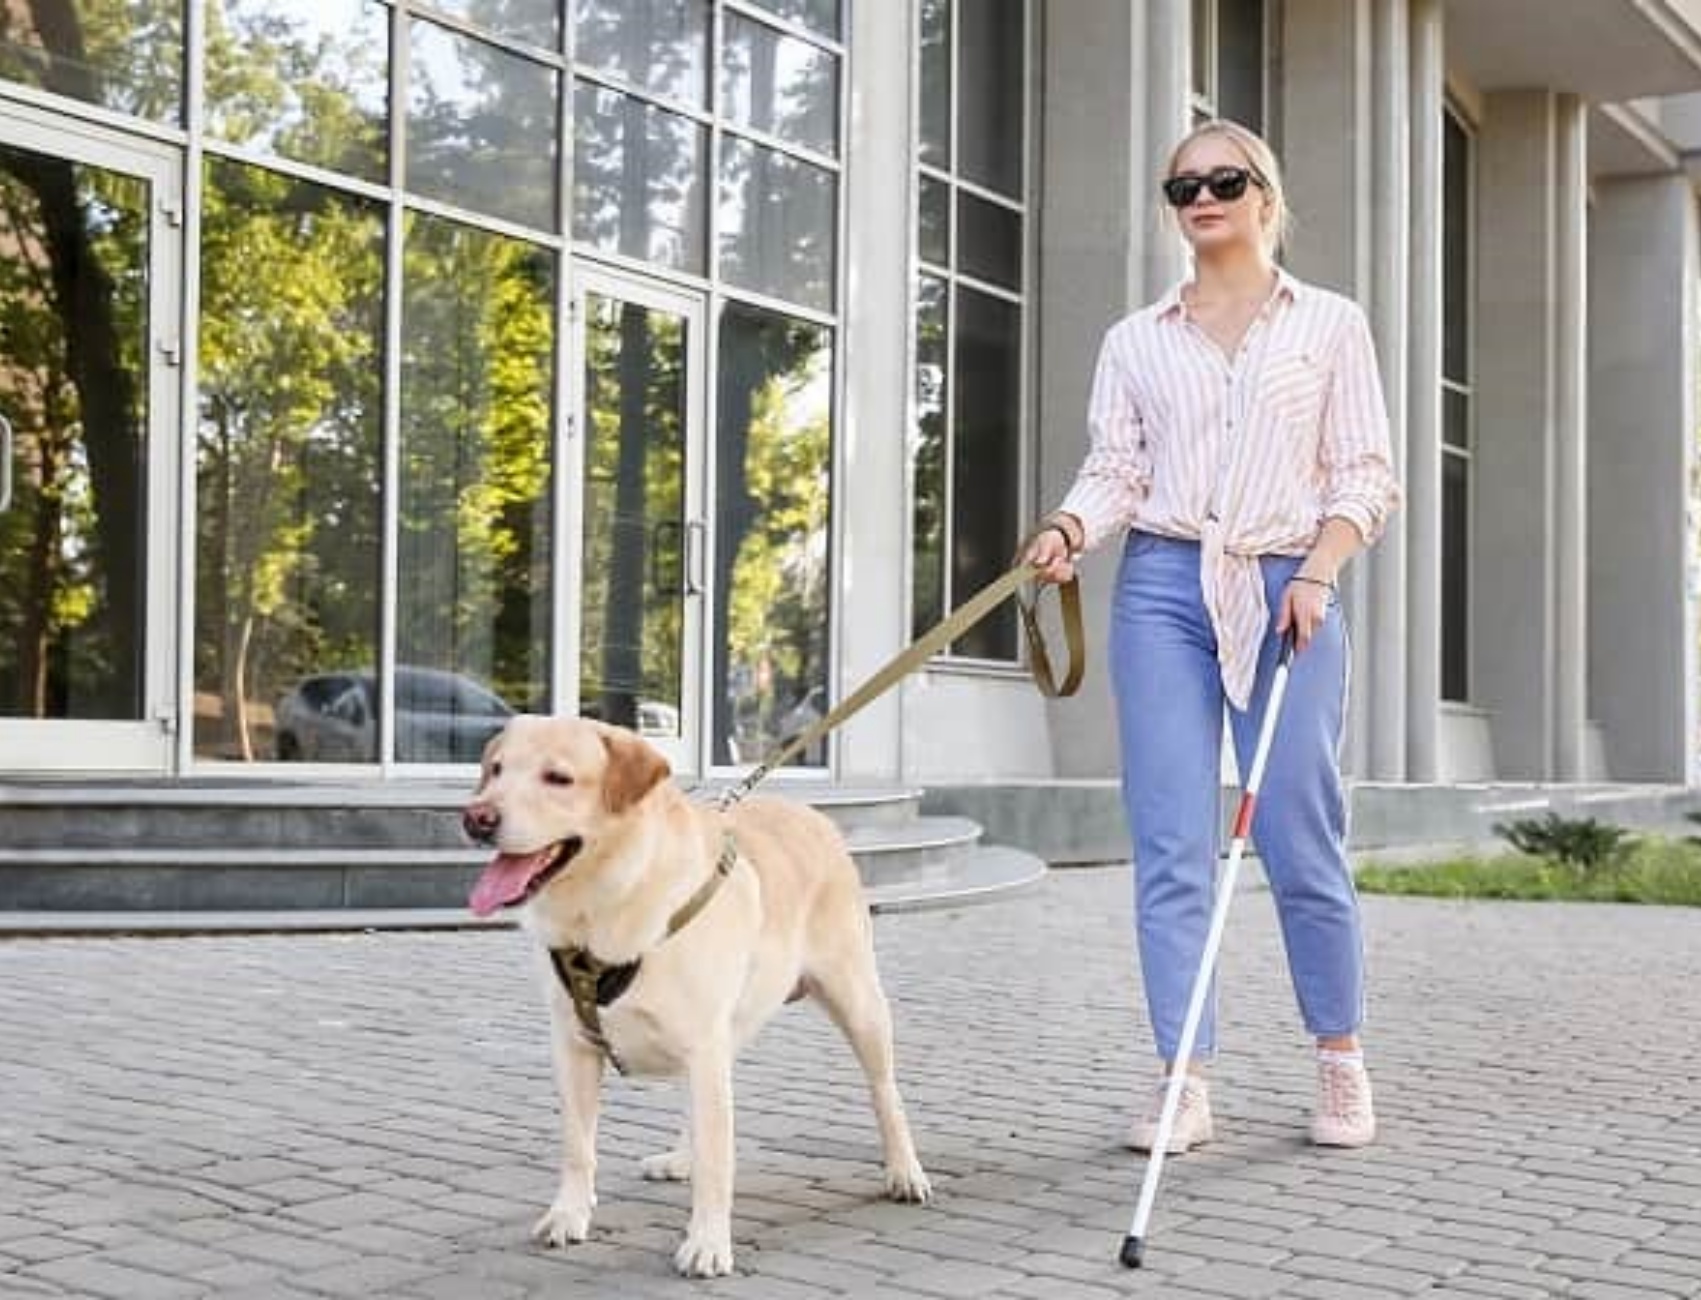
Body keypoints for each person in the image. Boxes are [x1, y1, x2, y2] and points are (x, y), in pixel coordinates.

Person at [1026, 119, 1401, 1152]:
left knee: (1296, 827)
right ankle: (1182, 1074)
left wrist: (1320, 568)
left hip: (1293, 582)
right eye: (1182, 185)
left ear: (1266, 196)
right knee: (1170, 843)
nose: (1202, 197)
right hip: (1161, 586)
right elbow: (1116, 471)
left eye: (1224, 180)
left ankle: (1338, 1055)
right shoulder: (1135, 338)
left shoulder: (1328, 324)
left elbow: (1367, 471)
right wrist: (1069, 526)